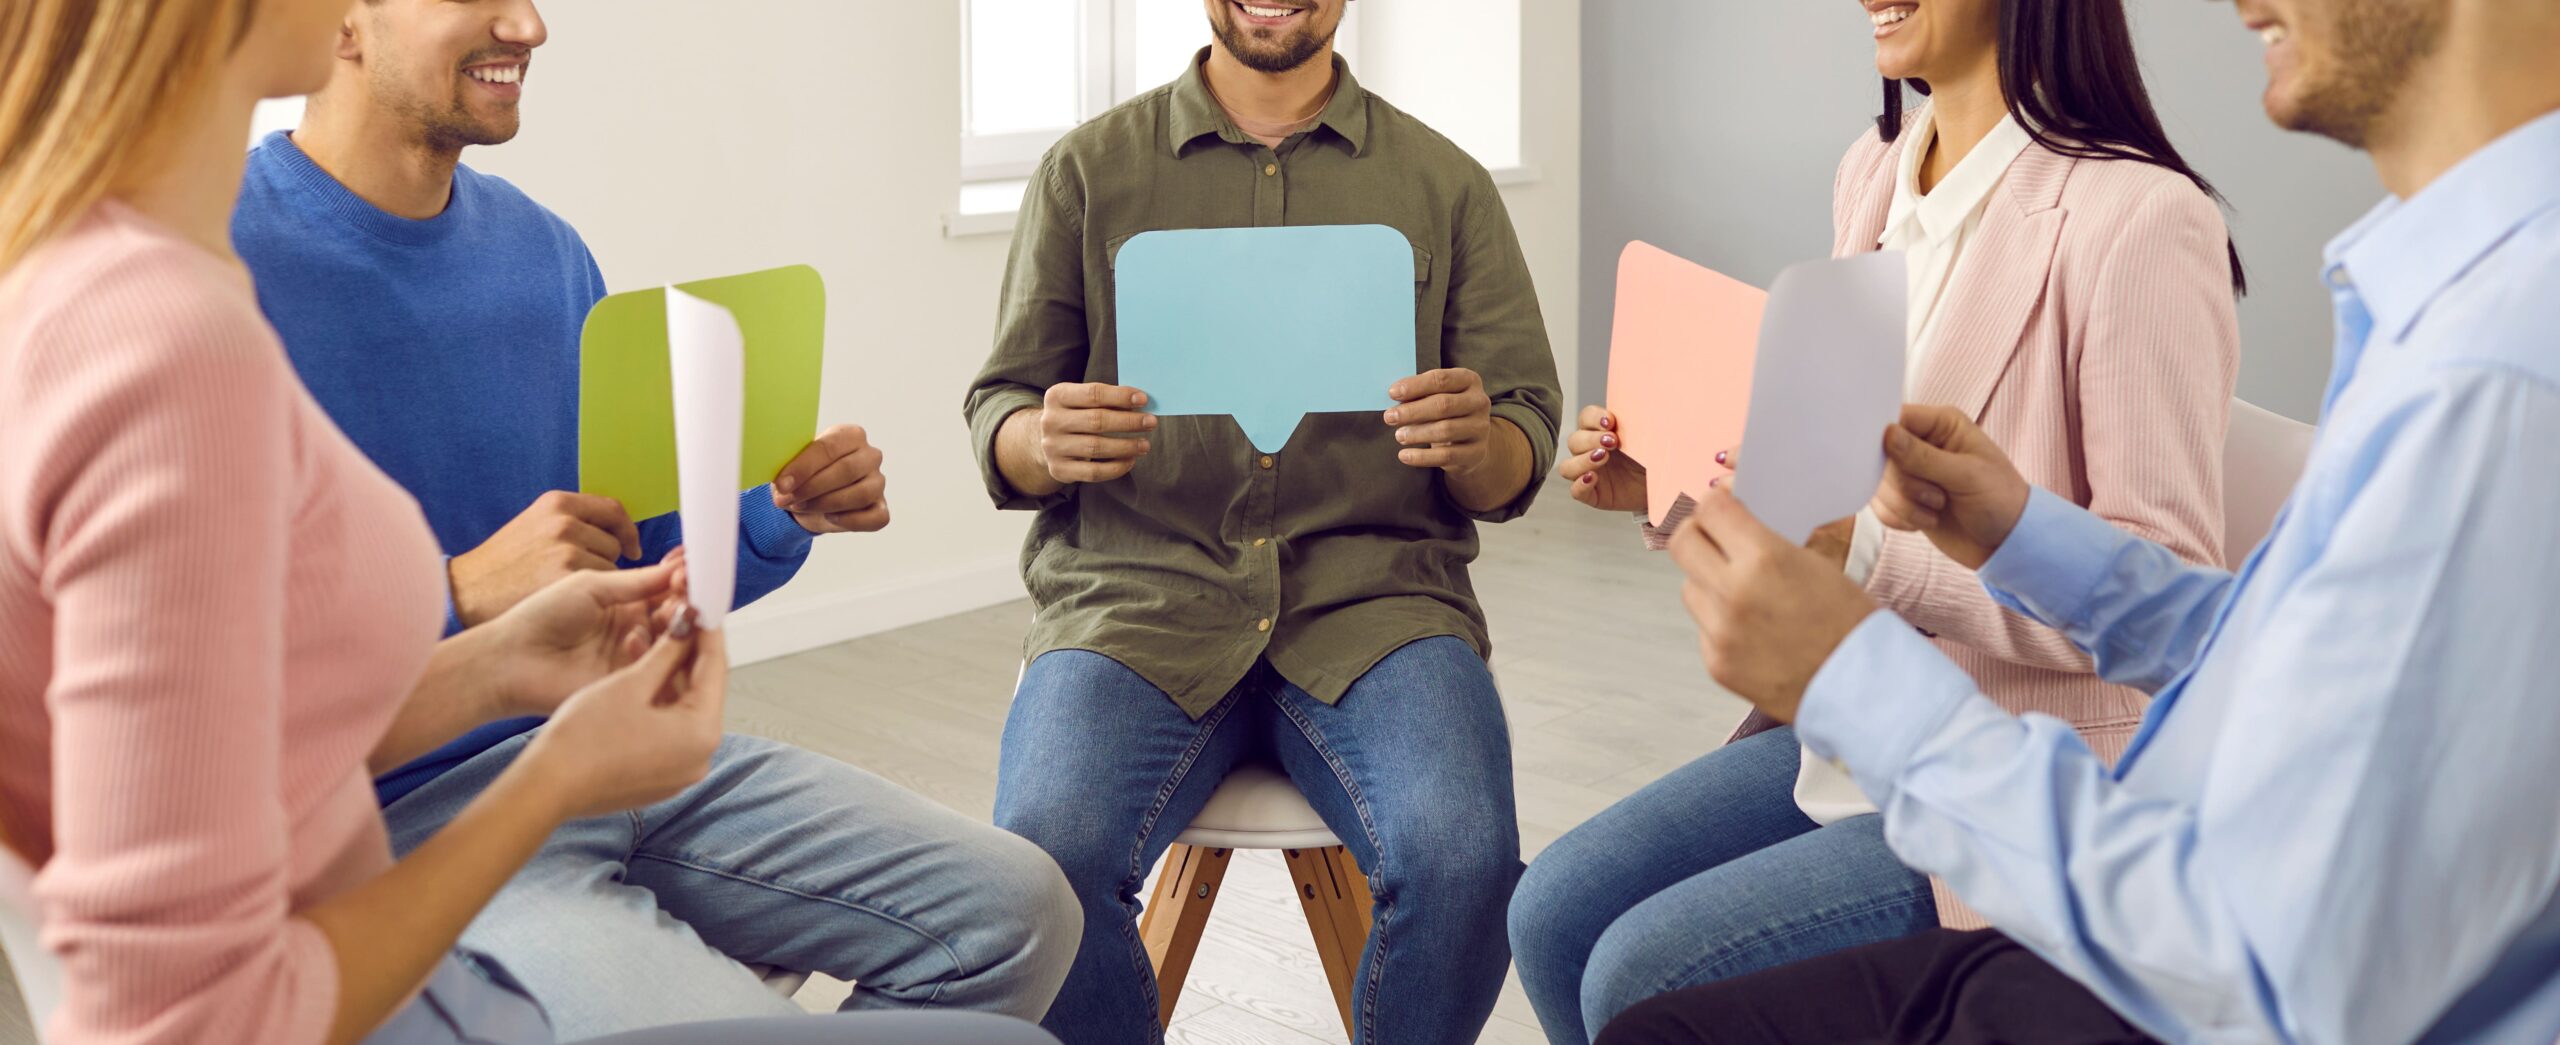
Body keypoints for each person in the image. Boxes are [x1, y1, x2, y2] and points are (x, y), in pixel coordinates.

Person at [0, 1, 1057, 1043]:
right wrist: (459, 592)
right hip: (403, 813)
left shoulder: (543, 252)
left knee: (1018, 912)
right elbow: (185, 737)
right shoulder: (178, 293)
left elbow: (627, 567)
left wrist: (776, 515)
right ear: (347, 26)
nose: (529, 27)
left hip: (607, 750)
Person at [1601, 0, 2560, 1040]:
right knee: (1568, 917)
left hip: (2125, 872)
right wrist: (2020, 533)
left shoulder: (2494, 373)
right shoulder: (2436, 311)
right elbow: (2282, 655)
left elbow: (2264, 963)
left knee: (1642, 993)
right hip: (2075, 825)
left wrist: (1857, 647)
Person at [1509, 0, 2241, 1038]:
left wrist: (1874, 557)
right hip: (1842, 729)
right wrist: (1668, 478)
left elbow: (2163, 597)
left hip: (2016, 765)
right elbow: (1825, 473)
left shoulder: (2142, 218)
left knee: (1641, 970)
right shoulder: (1875, 168)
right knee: (1551, 913)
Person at [961, 0, 1563, 1040]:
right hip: (1133, 602)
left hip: (1378, 605)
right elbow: (1001, 404)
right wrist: (1037, 438)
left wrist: (1479, 441)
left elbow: (1520, 438)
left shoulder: (1444, 183)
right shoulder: (1087, 171)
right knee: (1039, 861)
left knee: (1463, 856)